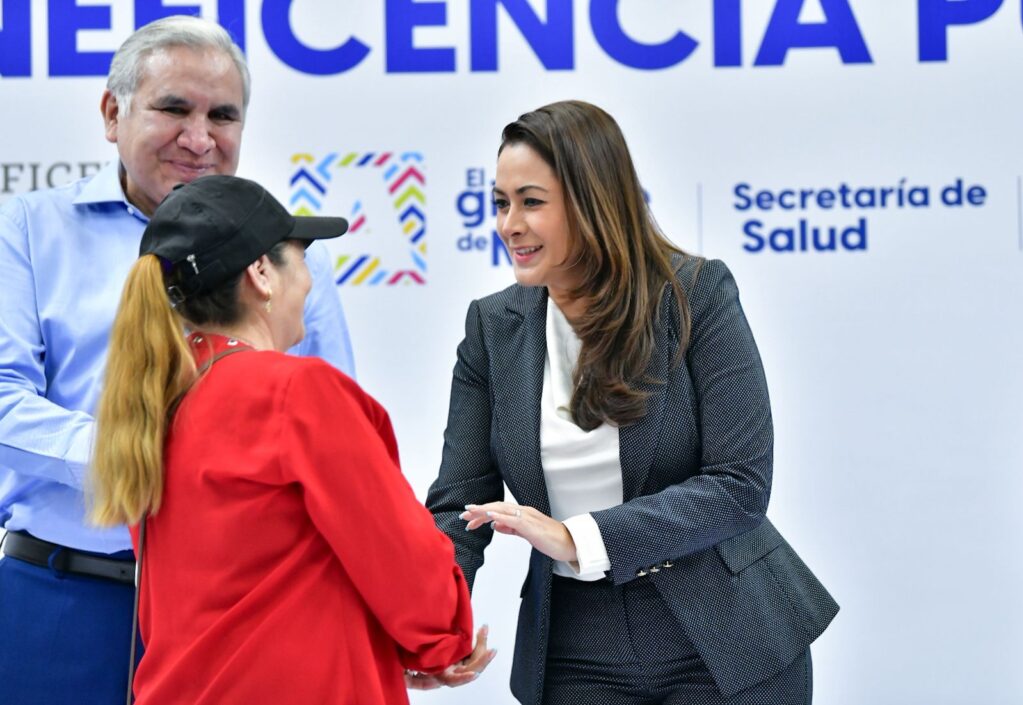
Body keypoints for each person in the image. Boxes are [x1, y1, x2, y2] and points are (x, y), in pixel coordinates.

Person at [426, 100, 840, 705]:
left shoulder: (695, 294)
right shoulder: (493, 328)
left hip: (725, 635)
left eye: (531, 202)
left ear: (593, 201)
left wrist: (579, 539)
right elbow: (458, 505)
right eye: (500, 202)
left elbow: (740, 484)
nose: (509, 224)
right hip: (574, 646)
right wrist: (432, 628)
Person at [0, 16, 354, 704]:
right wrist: (147, 456)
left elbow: (336, 438)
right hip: (62, 600)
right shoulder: (28, 230)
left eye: (223, 115)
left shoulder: (288, 250)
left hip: (239, 612)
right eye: (174, 108)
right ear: (113, 113)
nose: (199, 138)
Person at [89, 174, 477, 704]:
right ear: (262, 273)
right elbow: (404, 563)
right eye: (302, 255)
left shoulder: (153, 404)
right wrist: (439, 642)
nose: (311, 277)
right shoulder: (296, 392)